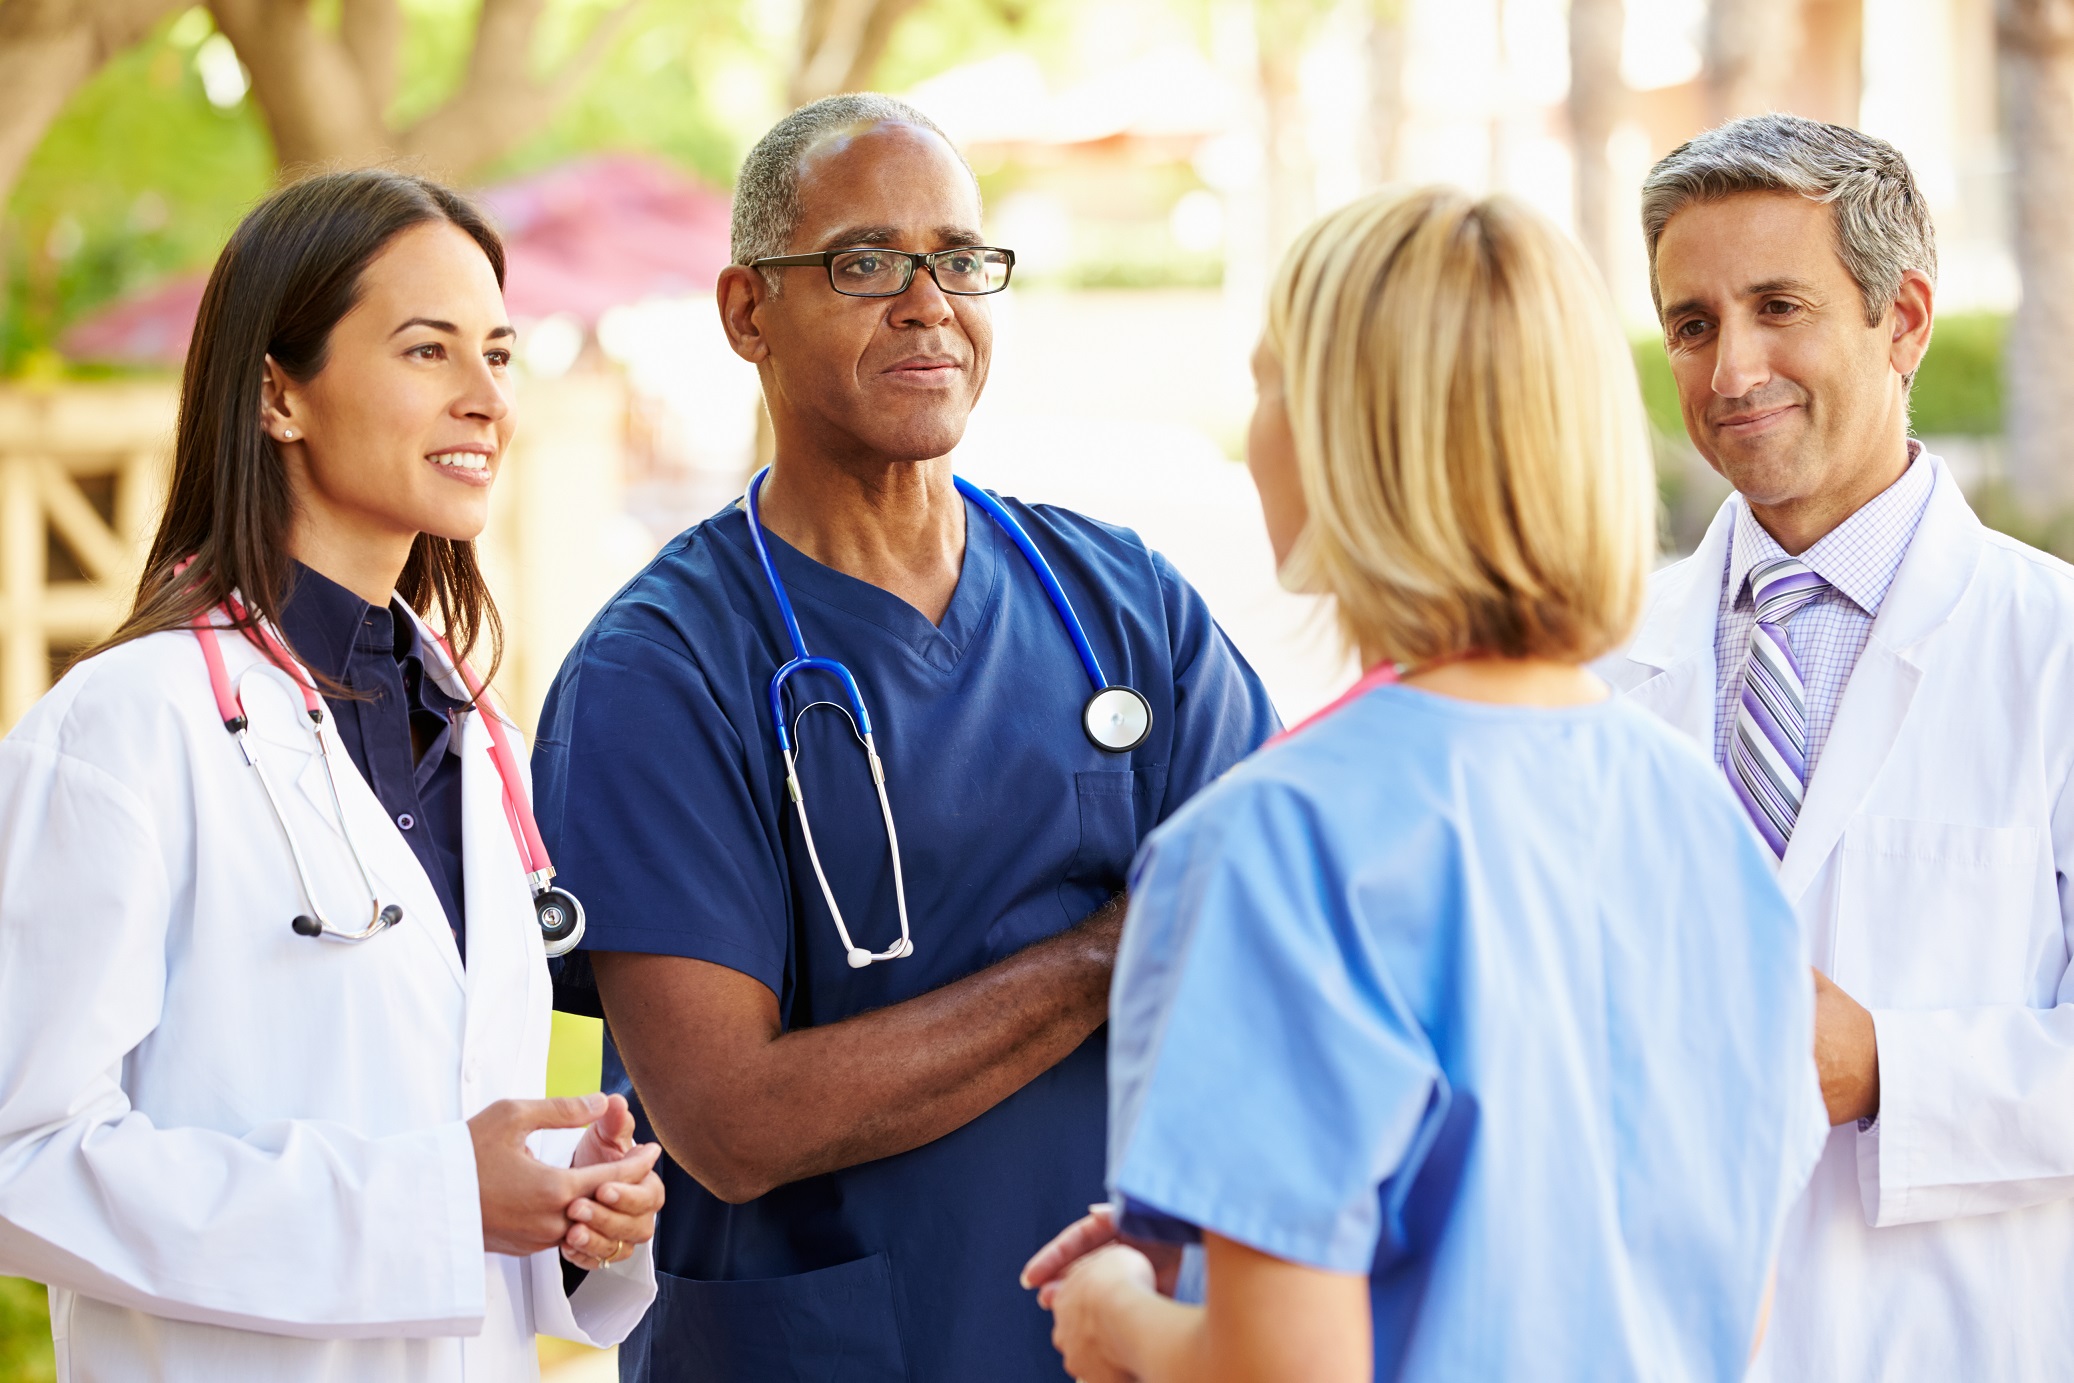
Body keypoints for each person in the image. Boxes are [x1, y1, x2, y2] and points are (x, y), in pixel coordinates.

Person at [530, 93, 1279, 1381]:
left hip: (1132, 1336)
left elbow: (1270, 925)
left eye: (959, 260)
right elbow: (729, 1121)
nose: (929, 302)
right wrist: (1114, 947)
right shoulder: (659, 672)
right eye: (866, 262)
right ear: (746, 312)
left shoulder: (1121, 603)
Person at [1020, 186, 1826, 1382]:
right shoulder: (1698, 815)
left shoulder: (1277, 841)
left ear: (1354, 431)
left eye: (1268, 381)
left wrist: (1117, 1314)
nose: (1254, 433)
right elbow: (1719, 1302)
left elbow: (1282, 1372)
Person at [0, 169, 662, 1381]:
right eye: (428, 352)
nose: (486, 400)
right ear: (277, 394)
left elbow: (440, 1124)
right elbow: (18, 1160)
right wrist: (429, 1199)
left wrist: (568, 1221)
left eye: (502, 355)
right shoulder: (123, 731)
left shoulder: (465, 734)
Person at [1601, 113, 2074, 1381]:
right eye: (1692, 323)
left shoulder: (2054, 653)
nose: (1729, 368)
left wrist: (1887, 1070)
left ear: (1904, 319)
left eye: (1778, 307)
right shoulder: (1593, 668)